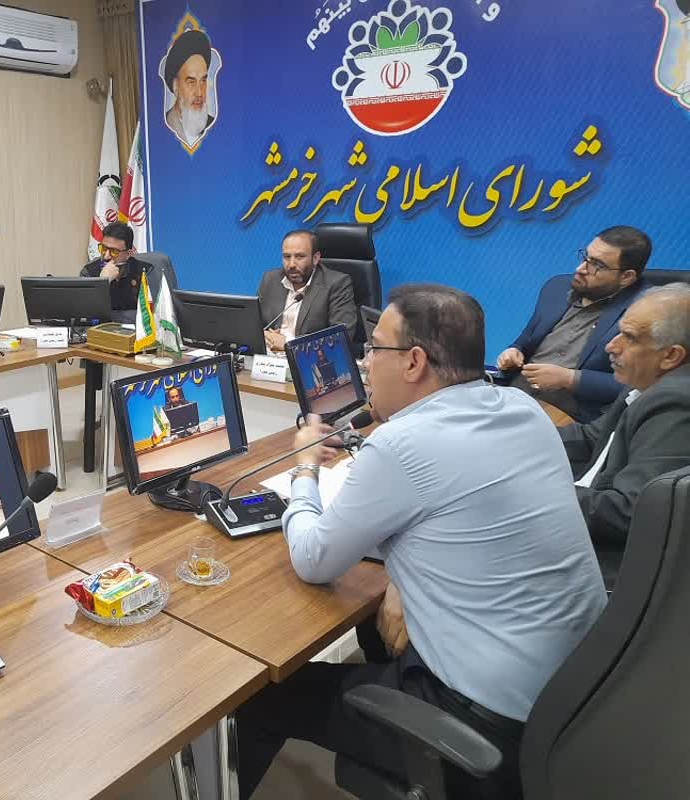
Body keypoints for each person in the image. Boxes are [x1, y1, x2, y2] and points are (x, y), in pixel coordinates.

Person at [236, 284, 606, 800]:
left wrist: (304, 471)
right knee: (371, 618)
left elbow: (314, 559)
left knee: (259, 700)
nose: (365, 364)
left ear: (413, 362)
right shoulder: (524, 409)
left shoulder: (401, 445)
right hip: (577, 695)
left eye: (373, 349)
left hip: (486, 721)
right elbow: (466, 520)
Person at [559, 283, 690, 585]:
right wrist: (519, 441)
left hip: (600, 567)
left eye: (629, 337)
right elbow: (591, 437)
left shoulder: (675, 404)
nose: (611, 346)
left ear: (671, 356)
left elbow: (632, 511)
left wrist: (539, 494)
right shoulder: (647, 381)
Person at [496, 225, 651, 421]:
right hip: (515, 395)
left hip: (569, 413)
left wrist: (570, 379)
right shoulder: (557, 287)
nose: (580, 269)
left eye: (597, 265)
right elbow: (525, 341)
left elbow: (639, 385)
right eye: (585, 257)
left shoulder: (643, 313)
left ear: (626, 277)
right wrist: (513, 352)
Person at [257, 230, 357, 353]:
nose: (291, 264)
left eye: (299, 257)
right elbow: (253, 324)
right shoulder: (271, 279)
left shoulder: (337, 284)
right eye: (287, 257)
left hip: (309, 360)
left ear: (315, 258)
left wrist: (287, 344)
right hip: (268, 358)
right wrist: (264, 335)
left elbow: (340, 340)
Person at [80, 222, 151, 322]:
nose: (106, 256)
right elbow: (84, 314)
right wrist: (102, 282)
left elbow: (150, 314)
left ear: (128, 254)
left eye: (114, 251)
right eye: (103, 248)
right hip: (99, 330)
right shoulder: (89, 272)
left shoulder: (145, 272)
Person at [163, 29, 216, 149]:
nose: (199, 92)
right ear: (176, 86)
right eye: (191, 82)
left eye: (203, 80)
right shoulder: (165, 126)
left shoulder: (213, 125)